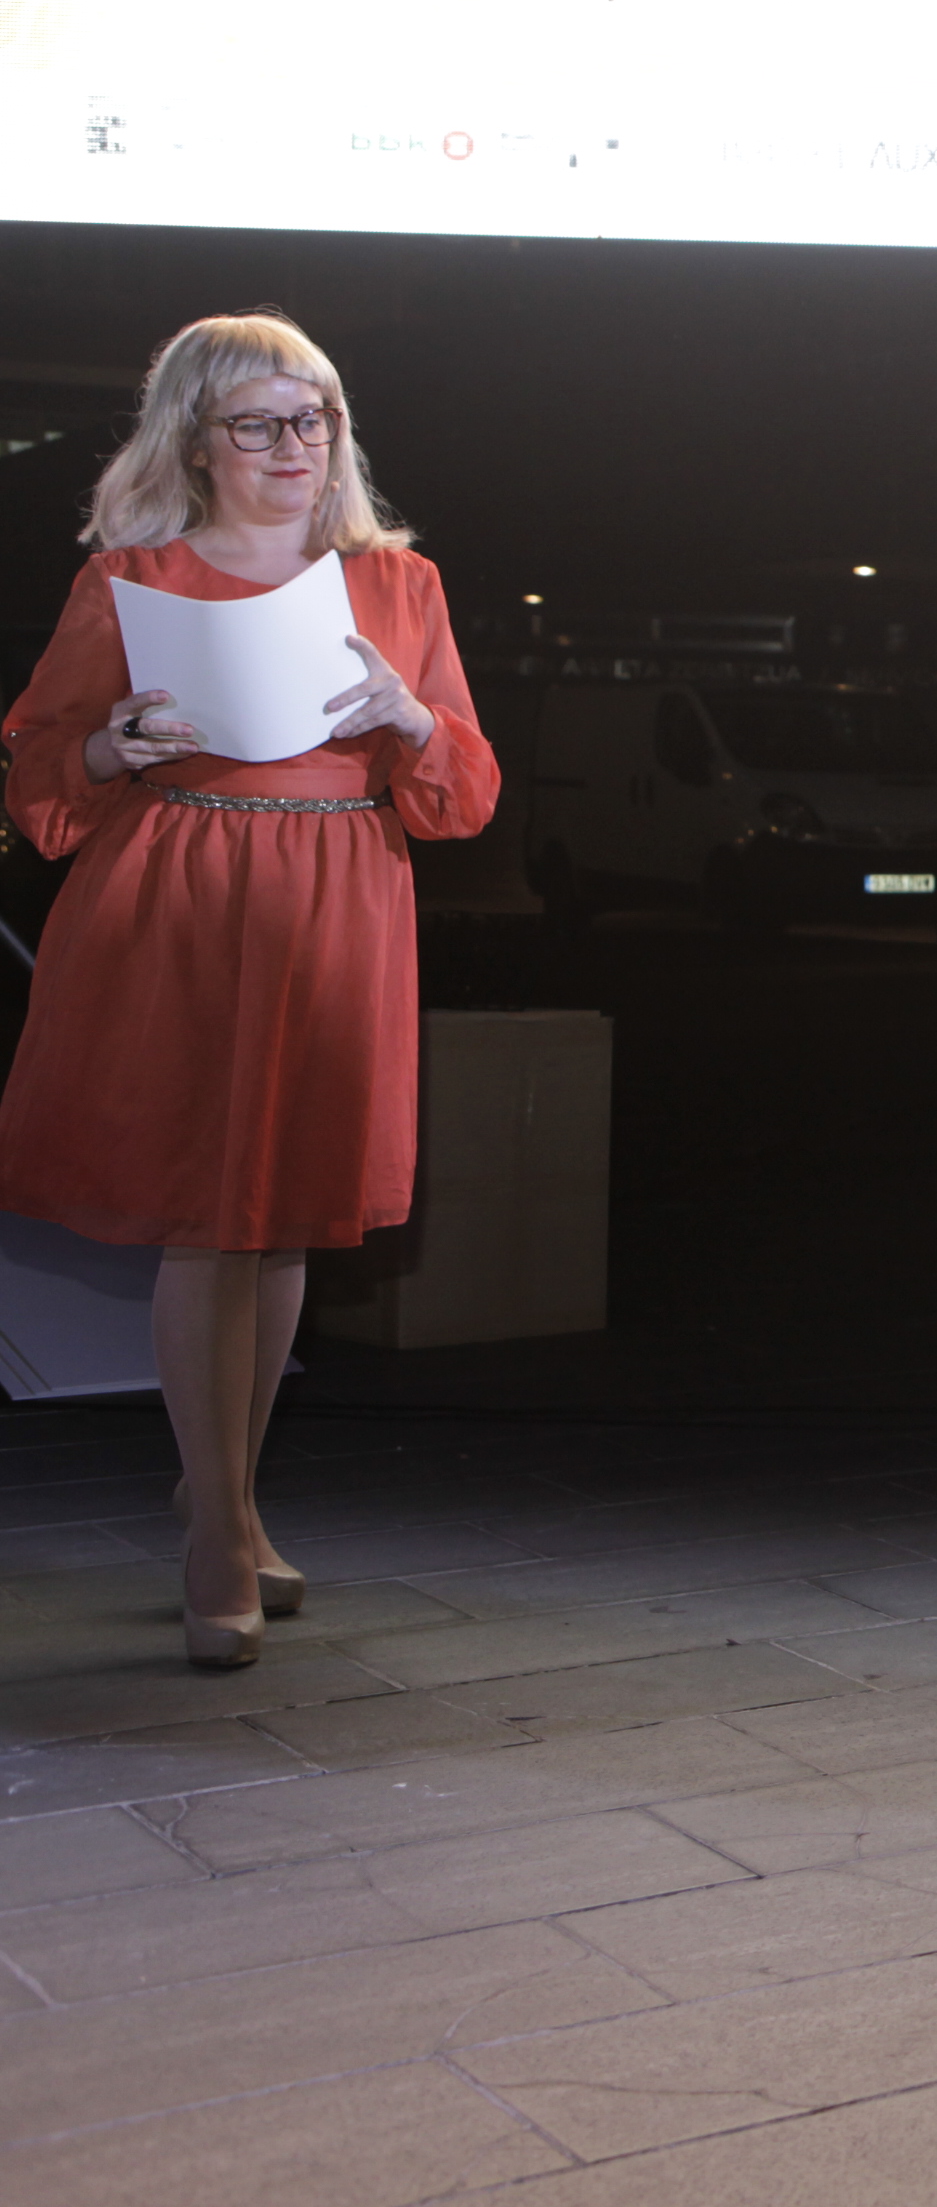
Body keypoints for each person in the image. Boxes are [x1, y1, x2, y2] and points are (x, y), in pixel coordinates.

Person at [0, 316, 497, 1668]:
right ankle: (218, 1531)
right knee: (207, 1220)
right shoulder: (132, 578)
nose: (294, 446)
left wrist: (410, 722)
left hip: (336, 903)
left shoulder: (398, 583)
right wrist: (111, 745)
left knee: (280, 1225)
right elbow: (39, 771)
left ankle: (224, 1492)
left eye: (313, 418)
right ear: (194, 438)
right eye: (260, 423)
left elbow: (462, 792)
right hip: (180, 900)